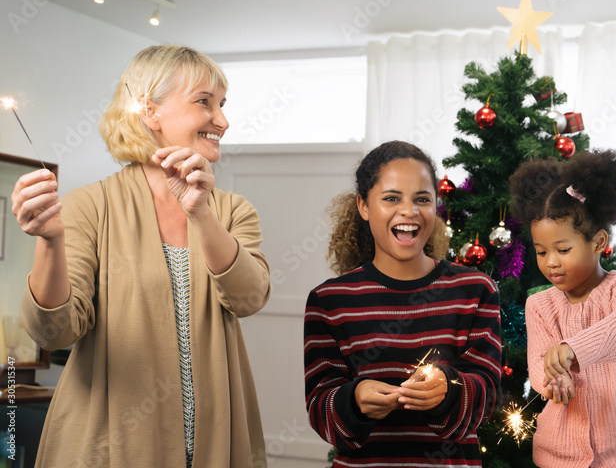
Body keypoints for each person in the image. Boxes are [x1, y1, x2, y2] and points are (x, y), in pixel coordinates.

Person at [11, 45, 270, 467]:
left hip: (212, 443)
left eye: (222, 105)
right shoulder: (89, 206)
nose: (222, 120)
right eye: (204, 102)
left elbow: (249, 298)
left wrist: (201, 213)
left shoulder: (232, 210)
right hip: (108, 447)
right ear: (149, 112)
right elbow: (53, 332)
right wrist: (51, 242)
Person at [303, 140, 501, 467]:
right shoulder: (329, 301)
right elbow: (321, 411)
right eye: (392, 198)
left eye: (422, 199)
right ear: (364, 206)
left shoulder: (475, 291)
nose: (409, 211)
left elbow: (486, 397)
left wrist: (448, 391)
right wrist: (353, 401)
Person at [509, 149, 616, 468]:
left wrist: (571, 351)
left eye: (563, 249)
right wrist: (553, 379)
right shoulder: (540, 305)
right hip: (557, 456)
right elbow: (538, 363)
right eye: (540, 252)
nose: (551, 262)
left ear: (598, 241)